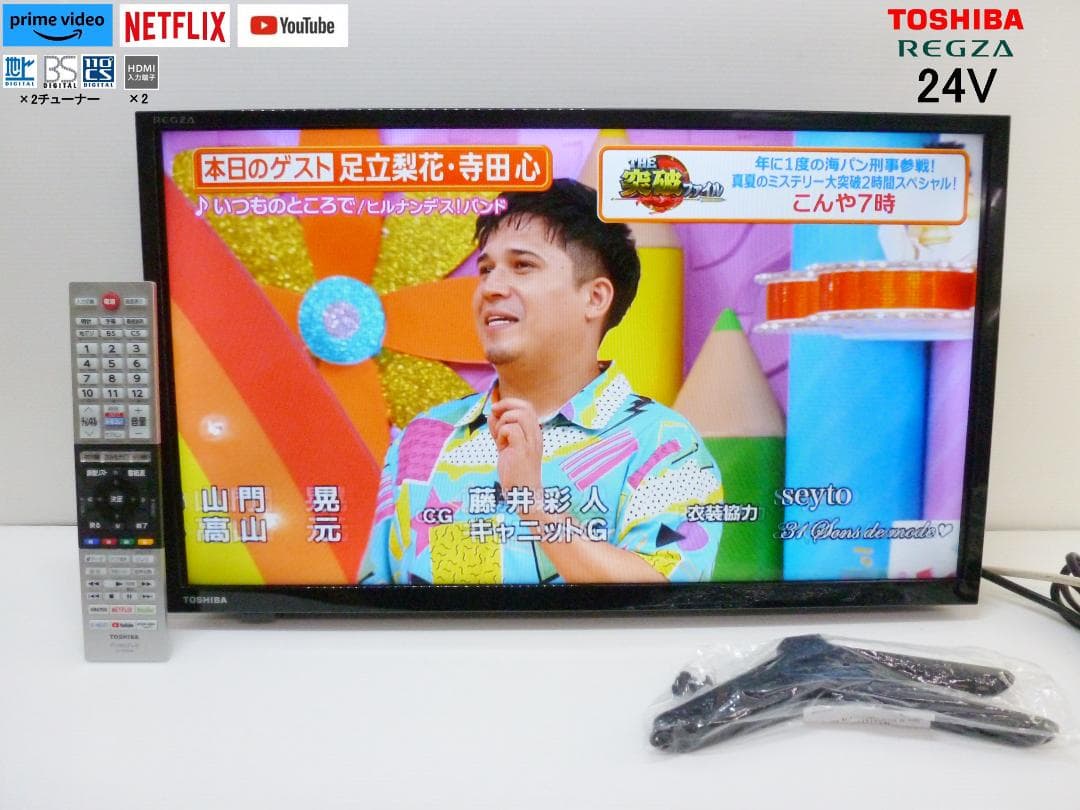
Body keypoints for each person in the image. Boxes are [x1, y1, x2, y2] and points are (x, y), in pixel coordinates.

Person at [358, 179, 723, 585]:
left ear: (595, 298)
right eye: (486, 270)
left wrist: (534, 505)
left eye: (522, 266)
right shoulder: (421, 439)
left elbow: (664, 594)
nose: (491, 288)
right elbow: (375, 604)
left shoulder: (665, 443)